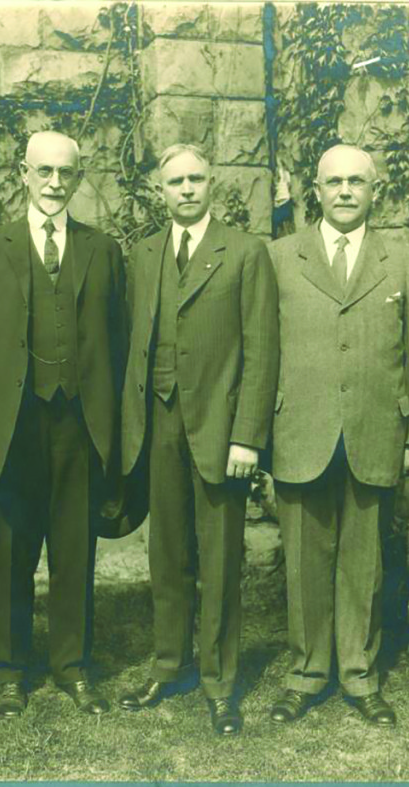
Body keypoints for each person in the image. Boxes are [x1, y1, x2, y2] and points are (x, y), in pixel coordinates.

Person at [265, 143, 409, 726]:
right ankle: (307, 673)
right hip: (300, 430)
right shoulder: (282, 256)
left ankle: (360, 676)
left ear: (374, 190)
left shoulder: (400, 258)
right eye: (333, 182)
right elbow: (264, 351)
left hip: (373, 428)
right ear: (315, 190)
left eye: (356, 182)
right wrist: (261, 431)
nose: (344, 192)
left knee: (364, 561)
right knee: (305, 562)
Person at [0, 131, 128, 718]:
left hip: (79, 423)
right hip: (14, 422)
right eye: (44, 171)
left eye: (67, 172)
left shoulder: (103, 250)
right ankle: (9, 669)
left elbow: (121, 342)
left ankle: (72, 665)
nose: (55, 183)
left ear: (79, 178)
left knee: (74, 547)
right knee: (12, 549)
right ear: (23, 173)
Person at [118, 144, 279, 736]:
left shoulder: (243, 252)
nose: (186, 189)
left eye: (195, 179)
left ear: (212, 184)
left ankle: (220, 682)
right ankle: (170, 664)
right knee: (167, 556)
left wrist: (248, 437)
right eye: (174, 182)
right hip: (159, 425)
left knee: (218, 559)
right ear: (160, 191)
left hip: (219, 429)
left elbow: (262, 350)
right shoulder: (144, 254)